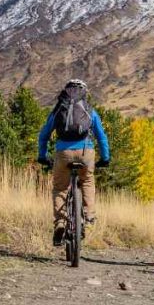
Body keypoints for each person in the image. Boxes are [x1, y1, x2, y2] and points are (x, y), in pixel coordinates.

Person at [37, 79, 110, 247]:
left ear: (66, 91)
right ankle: (88, 217)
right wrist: (105, 158)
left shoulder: (58, 109)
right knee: (88, 181)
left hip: (63, 152)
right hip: (86, 152)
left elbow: (44, 135)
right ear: (84, 92)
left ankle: (60, 224)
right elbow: (101, 137)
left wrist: (42, 155)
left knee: (60, 188)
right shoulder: (89, 110)